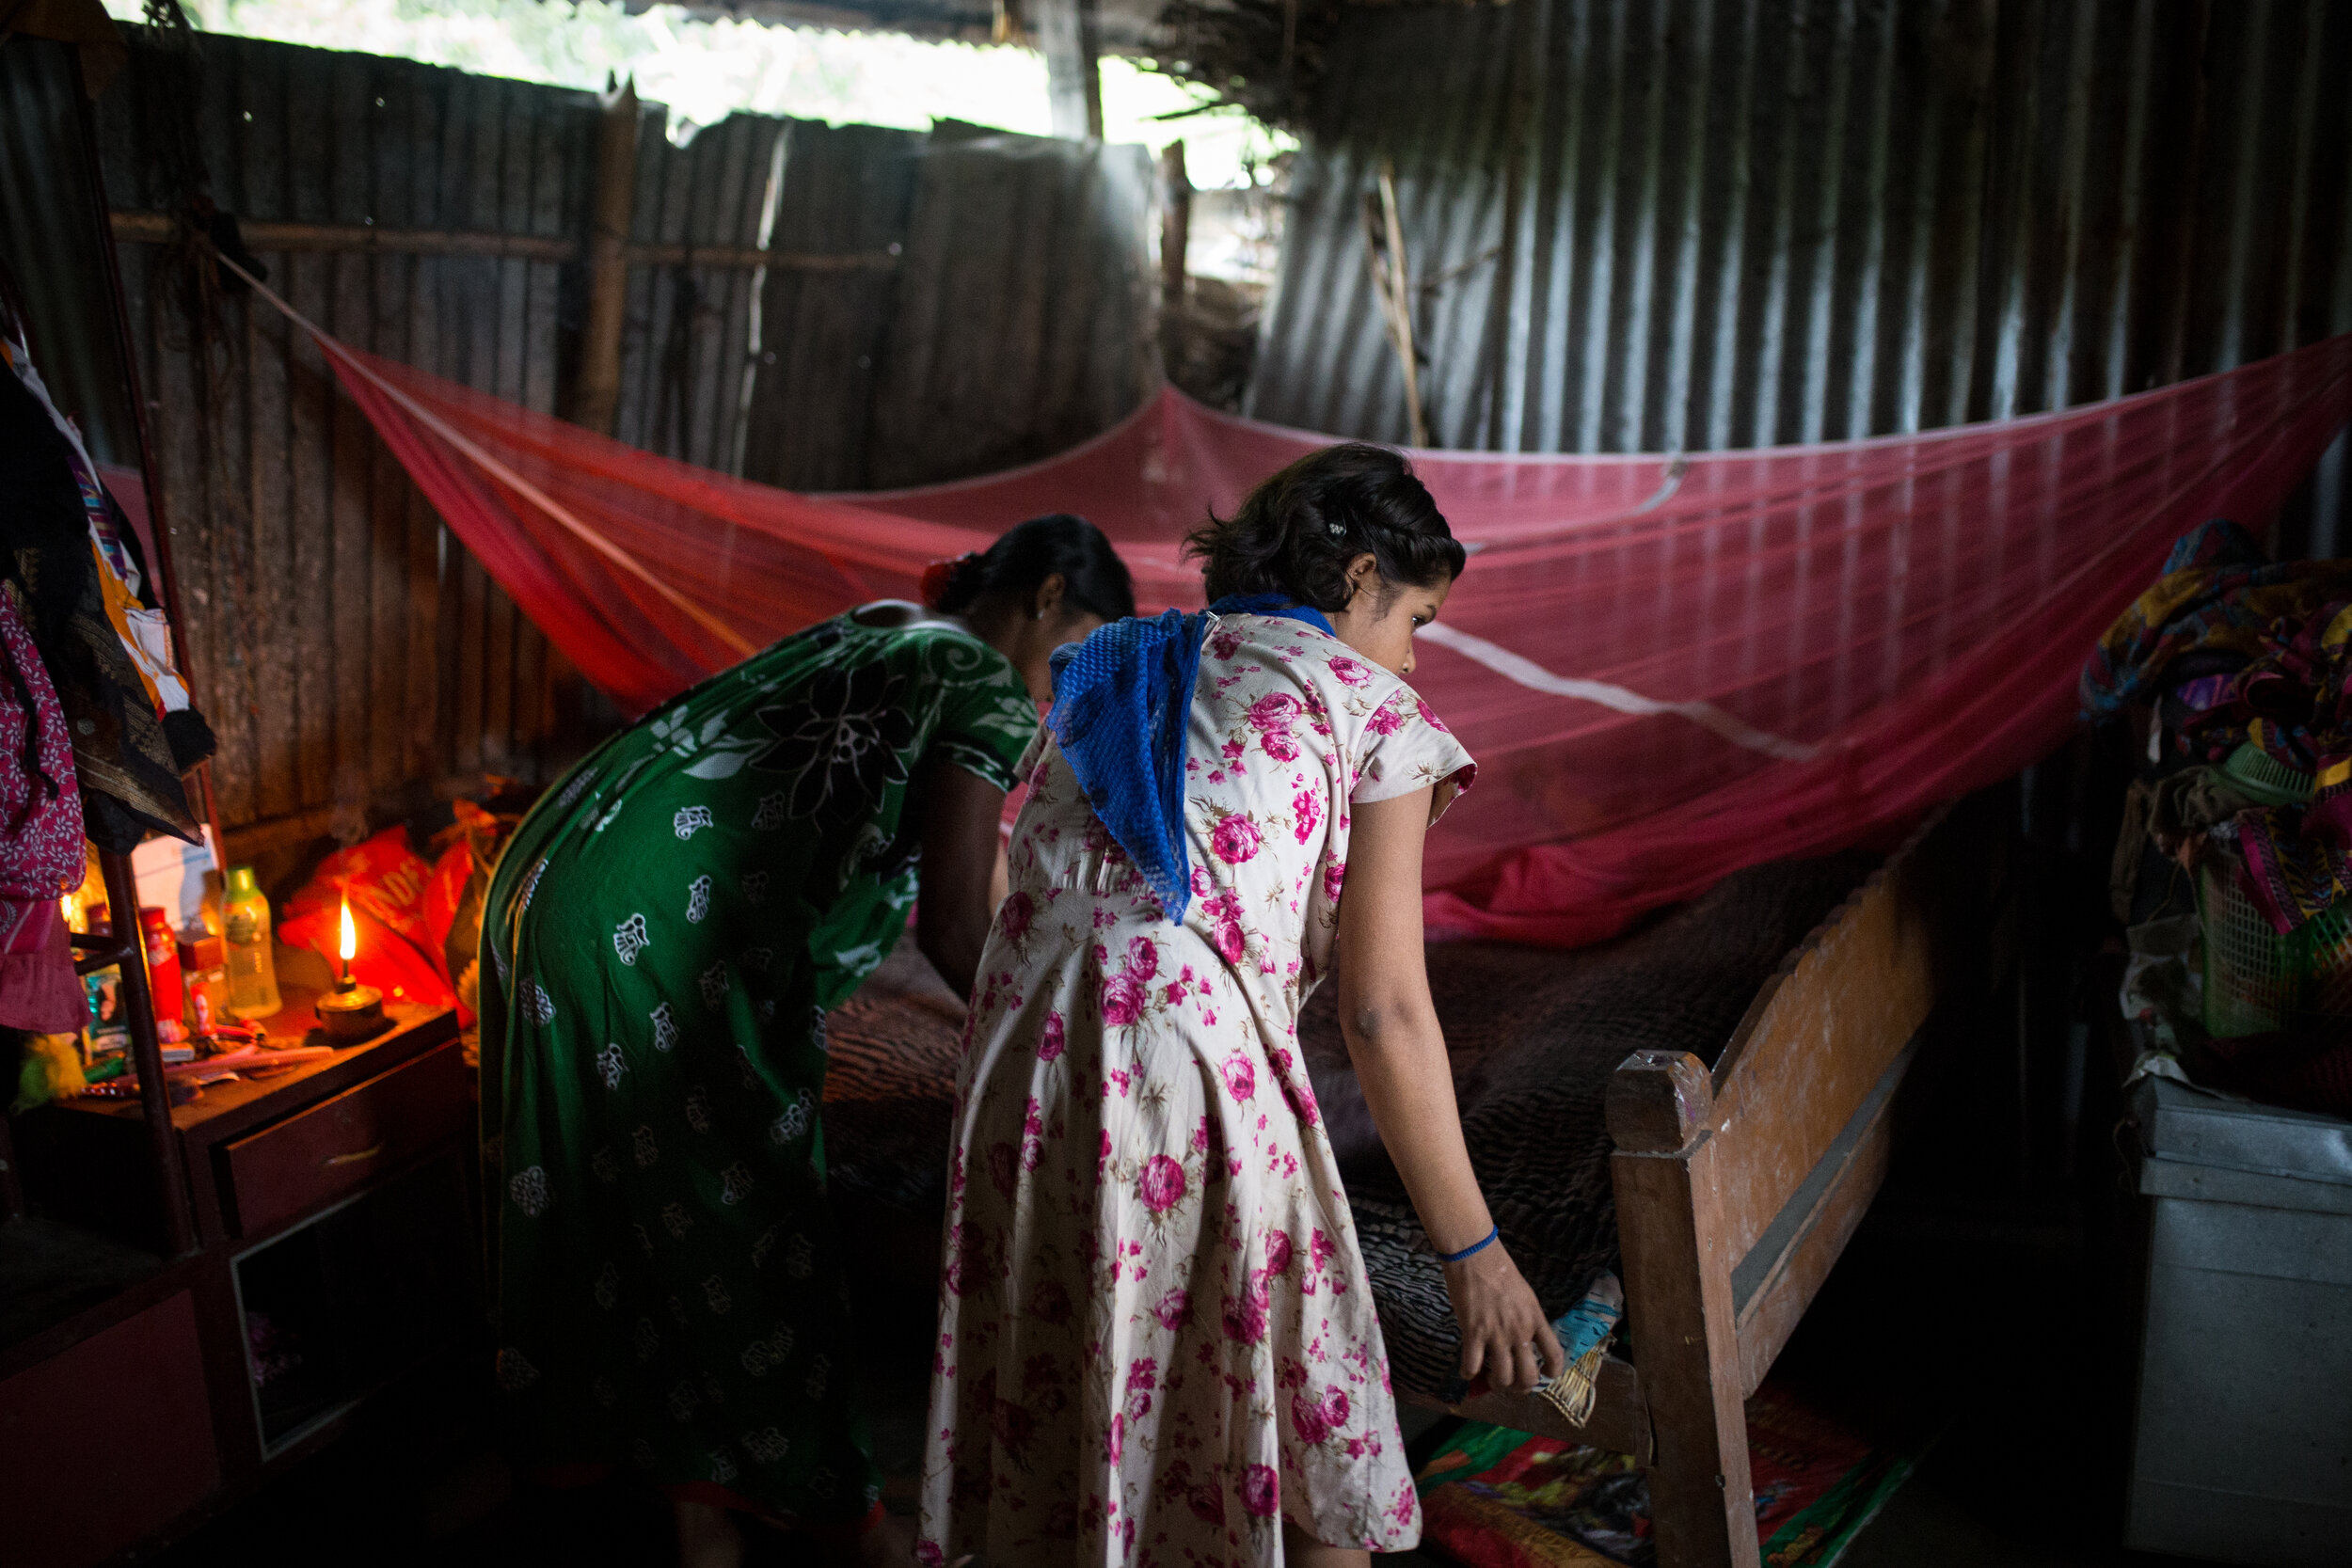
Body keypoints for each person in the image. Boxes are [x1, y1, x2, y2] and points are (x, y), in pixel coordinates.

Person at [919, 446, 1564, 1568]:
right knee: (1311, 1407)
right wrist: (1477, 1254)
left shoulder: (1120, 658)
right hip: (1174, 1048)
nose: (1413, 656)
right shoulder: (1368, 703)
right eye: (1416, 617)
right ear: (1359, 576)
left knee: (1081, 1395)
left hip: (1020, 1052)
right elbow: (1384, 1011)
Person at [477, 515, 1135, 1568]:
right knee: (748, 1206)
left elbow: (981, 883)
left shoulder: (885, 628)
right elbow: (959, 923)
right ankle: (855, 1527)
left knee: (629, 1197)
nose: (1057, 687)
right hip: (666, 928)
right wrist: (1051, 1052)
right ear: (1048, 594)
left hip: (557, 881)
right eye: (1068, 653)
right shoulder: (981, 685)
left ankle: (693, 1508)